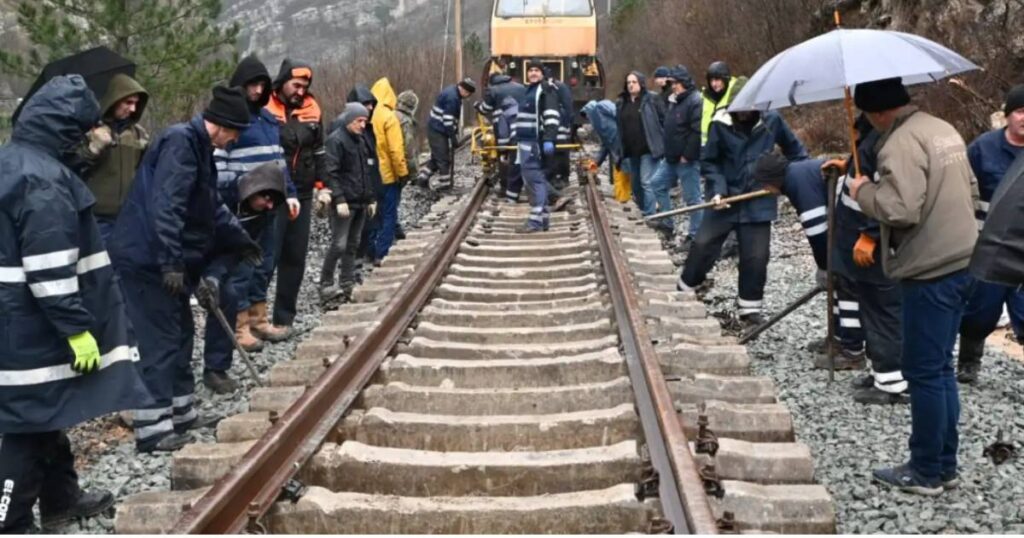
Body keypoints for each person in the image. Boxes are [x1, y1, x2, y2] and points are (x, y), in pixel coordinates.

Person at [0, 75, 152, 533]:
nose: (91, 136)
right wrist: (76, 329)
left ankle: (62, 498)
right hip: (31, 321)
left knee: (50, 408)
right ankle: (11, 519)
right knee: (28, 421)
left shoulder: (18, 162)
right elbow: (49, 268)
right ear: (66, 128)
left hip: (19, 317)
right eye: (86, 129)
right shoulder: (41, 180)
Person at [110, 86, 260, 453]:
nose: (236, 139)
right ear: (222, 125)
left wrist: (240, 239)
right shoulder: (181, 143)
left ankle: (181, 412)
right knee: (159, 341)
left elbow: (208, 208)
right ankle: (152, 431)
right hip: (147, 261)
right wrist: (171, 262)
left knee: (180, 335)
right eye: (236, 131)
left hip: (162, 260)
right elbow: (167, 206)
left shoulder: (198, 147)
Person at [847, 77, 978, 495]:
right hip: (963, 260)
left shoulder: (899, 143)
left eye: (868, 115)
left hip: (930, 270)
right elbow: (972, 189)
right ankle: (945, 464)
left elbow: (900, 209)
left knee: (923, 371)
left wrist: (863, 190)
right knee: (940, 369)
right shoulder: (944, 130)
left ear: (879, 112)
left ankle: (924, 470)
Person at [677, 80, 808, 327]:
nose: (745, 112)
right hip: (725, 199)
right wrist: (717, 190)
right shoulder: (719, 123)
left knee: (756, 257)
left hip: (758, 199)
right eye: (740, 108)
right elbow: (710, 162)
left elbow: (796, 152)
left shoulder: (772, 121)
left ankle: (749, 309)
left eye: (750, 107)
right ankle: (684, 289)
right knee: (704, 245)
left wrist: (795, 177)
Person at [213, 54, 297, 357]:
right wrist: (235, 195)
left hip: (270, 204)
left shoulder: (268, 120)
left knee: (265, 263)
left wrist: (290, 192)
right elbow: (220, 162)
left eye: (262, 84)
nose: (258, 90)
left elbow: (279, 161)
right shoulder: (233, 120)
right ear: (240, 85)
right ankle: (240, 326)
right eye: (253, 84)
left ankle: (259, 320)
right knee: (243, 267)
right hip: (244, 207)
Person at [821, 116, 907, 404]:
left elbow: (884, 195)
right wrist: (844, 167)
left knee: (884, 312)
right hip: (856, 243)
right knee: (873, 310)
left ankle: (894, 382)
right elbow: (861, 177)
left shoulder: (878, 145)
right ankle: (883, 373)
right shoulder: (867, 145)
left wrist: (870, 235)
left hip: (871, 246)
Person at [955, 84, 1024, 383]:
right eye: (1021, 111)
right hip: (989, 249)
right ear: (1008, 115)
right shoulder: (983, 148)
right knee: (980, 313)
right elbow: (961, 190)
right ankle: (970, 358)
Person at [201, 162, 285, 392]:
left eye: (272, 203)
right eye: (265, 198)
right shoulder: (221, 190)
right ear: (253, 189)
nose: (268, 206)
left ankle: (216, 368)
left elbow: (240, 248)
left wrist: (216, 275)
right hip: (194, 246)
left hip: (224, 254)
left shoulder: (264, 213)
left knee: (227, 295)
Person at [266, 59, 326, 333]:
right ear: (282, 82)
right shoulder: (266, 105)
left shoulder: (313, 109)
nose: (300, 91)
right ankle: (252, 319)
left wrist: (322, 185)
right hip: (271, 194)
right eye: (296, 85)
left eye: (305, 87)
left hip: (302, 193)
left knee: (295, 257)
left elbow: (320, 150)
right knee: (267, 256)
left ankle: (284, 318)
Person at [74, 73, 149, 242]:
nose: (133, 109)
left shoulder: (139, 134)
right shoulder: (89, 130)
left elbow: (146, 174)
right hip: (94, 219)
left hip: (129, 219)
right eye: (128, 102)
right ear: (114, 99)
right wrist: (93, 148)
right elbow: (71, 169)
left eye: (136, 104)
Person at [320, 103, 377, 301]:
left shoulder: (360, 141)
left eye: (364, 121)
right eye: (358, 121)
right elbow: (331, 173)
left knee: (353, 244)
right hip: (345, 203)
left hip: (360, 201)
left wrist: (370, 198)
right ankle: (326, 283)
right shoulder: (336, 141)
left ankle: (347, 282)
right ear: (349, 120)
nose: (362, 125)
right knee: (339, 244)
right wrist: (339, 199)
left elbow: (365, 171)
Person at [650, 66, 704, 247]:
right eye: (672, 83)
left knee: (693, 199)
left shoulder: (694, 100)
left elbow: (696, 131)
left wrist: (687, 155)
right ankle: (667, 223)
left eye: (675, 83)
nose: (672, 86)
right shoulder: (675, 100)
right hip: (671, 157)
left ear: (684, 83)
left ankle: (695, 236)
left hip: (686, 160)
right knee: (657, 183)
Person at [513, 62, 560, 232]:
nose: (532, 73)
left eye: (536, 70)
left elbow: (551, 116)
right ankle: (544, 219)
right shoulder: (529, 90)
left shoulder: (545, 90)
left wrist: (549, 139)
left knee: (535, 180)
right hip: (525, 142)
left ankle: (535, 221)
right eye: (530, 70)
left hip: (535, 143)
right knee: (534, 178)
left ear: (542, 73)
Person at [368, 78, 409, 261]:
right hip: (387, 175)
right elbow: (395, 149)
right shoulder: (388, 116)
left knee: (373, 214)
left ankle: (369, 249)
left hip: (370, 174)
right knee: (389, 214)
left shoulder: (367, 113)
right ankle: (382, 252)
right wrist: (402, 173)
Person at [616, 71, 665, 220]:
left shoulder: (651, 99)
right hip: (631, 150)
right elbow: (619, 127)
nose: (631, 85)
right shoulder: (621, 103)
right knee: (636, 184)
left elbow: (663, 120)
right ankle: (645, 209)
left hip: (648, 149)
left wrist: (661, 142)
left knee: (646, 181)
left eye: (634, 82)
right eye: (628, 82)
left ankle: (650, 214)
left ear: (641, 83)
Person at [416, 77, 476, 189]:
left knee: (437, 157)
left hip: (436, 128)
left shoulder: (452, 91)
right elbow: (448, 121)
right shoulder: (453, 98)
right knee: (443, 159)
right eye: (468, 94)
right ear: (465, 91)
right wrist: (453, 138)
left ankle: (422, 179)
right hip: (437, 130)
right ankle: (445, 185)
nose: (468, 97)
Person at [476, 72, 526, 201]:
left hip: (503, 125)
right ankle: (525, 186)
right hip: (525, 126)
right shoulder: (521, 87)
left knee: (505, 158)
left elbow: (485, 109)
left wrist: (478, 107)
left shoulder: (493, 90)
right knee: (523, 158)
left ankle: (505, 187)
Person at [580, 99, 629, 201]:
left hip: (625, 143)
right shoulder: (598, 126)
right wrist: (596, 163)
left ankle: (627, 198)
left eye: (587, 116)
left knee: (628, 173)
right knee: (621, 173)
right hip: (617, 150)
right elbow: (604, 145)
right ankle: (623, 199)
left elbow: (619, 114)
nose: (588, 119)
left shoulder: (601, 106)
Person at [395, 89, 420, 241]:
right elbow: (408, 149)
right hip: (398, 167)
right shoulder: (405, 121)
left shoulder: (390, 115)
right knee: (393, 201)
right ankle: (393, 229)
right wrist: (413, 173)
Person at [701, 61, 745, 144]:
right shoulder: (706, 97)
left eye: (717, 79)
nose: (713, 84)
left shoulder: (735, 93)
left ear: (725, 79)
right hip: (710, 147)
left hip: (732, 146)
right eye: (711, 80)